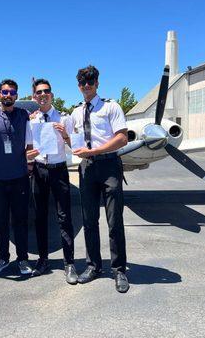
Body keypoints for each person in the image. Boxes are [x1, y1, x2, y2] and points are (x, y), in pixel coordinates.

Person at [70, 65, 130, 293]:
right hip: (87, 169)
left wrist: (93, 152)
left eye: (90, 81)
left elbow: (122, 138)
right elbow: (72, 140)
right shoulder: (76, 112)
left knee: (114, 220)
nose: (86, 85)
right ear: (78, 86)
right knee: (89, 220)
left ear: (97, 83)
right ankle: (93, 266)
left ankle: (119, 269)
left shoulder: (111, 107)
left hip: (109, 166)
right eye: (83, 82)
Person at [0, 79, 38, 275]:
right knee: (0, 220)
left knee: (20, 220)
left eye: (12, 92)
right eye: (5, 92)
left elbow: (30, 141)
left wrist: (30, 165)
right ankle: (3, 257)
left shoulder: (24, 115)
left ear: (16, 95)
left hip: (20, 177)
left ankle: (23, 259)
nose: (8, 95)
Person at [29, 78, 78, 284]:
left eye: (46, 91)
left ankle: (69, 263)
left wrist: (65, 135)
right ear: (34, 97)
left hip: (59, 171)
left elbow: (76, 145)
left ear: (52, 95)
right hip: (39, 171)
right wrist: (28, 154)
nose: (42, 95)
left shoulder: (64, 119)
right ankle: (43, 260)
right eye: (39, 92)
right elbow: (27, 147)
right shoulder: (31, 121)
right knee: (40, 217)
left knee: (64, 217)